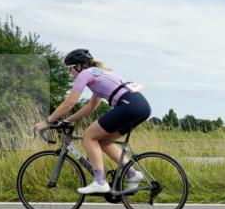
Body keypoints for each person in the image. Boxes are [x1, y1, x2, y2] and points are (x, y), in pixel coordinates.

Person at [33, 49, 151, 194]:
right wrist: (67, 121)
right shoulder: (97, 74)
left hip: (128, 105)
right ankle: (132, 174)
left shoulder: (85, 74)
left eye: (70, 69)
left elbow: (69, 103)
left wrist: (46, 121)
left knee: (88, 136)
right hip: (141, 106)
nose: (70, 73)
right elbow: (91, 107)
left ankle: (100, 182)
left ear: (78, 66)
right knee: (103, 141)